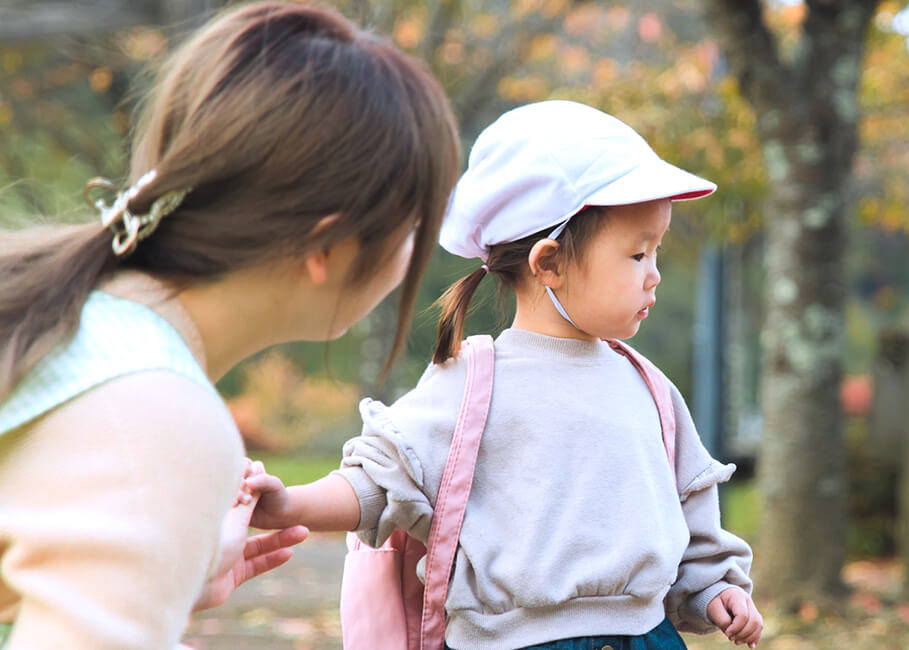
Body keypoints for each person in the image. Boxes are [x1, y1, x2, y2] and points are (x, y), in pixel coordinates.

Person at [0, 3, 460, 647]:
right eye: (412, 227)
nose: (416, 252)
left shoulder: (76, 328)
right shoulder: (158, 415)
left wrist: (157, 579)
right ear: (326, 248)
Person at [248, 100, 764, 649]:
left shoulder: (650, 388)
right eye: (637, 254)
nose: (654, 275)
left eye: (656, 251)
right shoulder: (472, 384)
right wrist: (288, 504)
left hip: (647, 637)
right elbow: (378, 484)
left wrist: (715, 590)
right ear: (549, 263)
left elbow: (691, 522)